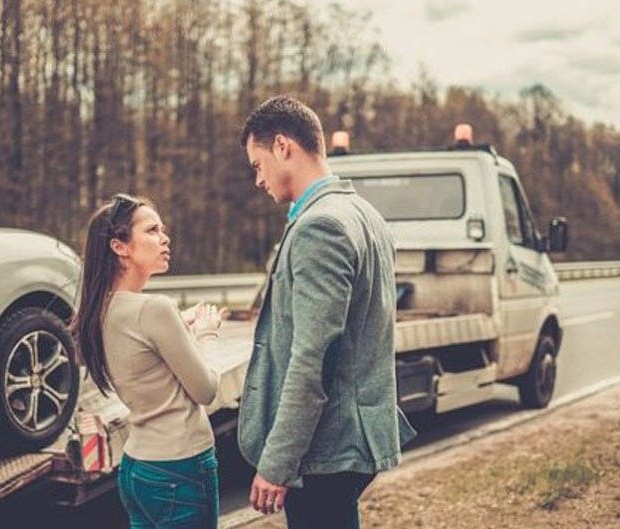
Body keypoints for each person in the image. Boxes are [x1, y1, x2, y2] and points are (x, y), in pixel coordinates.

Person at [237, 95, 417, 528]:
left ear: (283, 147)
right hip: (348, 437)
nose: (257, 180)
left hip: (327, 445)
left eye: (257, 165)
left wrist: (278, 460)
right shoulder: (364, 213)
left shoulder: (322, 226)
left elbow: (313, 357)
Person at [72, 193, 223, 529]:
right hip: (180, 467)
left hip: (138, 468)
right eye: (152, 230)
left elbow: (141, 348)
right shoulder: (154, 310)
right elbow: (206, 390)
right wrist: (207, 335)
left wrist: (180, 326)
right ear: (120, 247)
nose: (164, 238)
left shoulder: (100, 310)